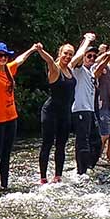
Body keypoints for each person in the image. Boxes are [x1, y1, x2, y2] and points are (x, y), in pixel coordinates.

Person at [0, 41, 40, 190]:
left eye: (5, 55)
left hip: (11, 118)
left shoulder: (9, 69)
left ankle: (4, 186)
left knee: (6, 154)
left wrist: (32, 49)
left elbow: (20, 60)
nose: (3, 58)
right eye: (0, 55)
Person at [68, 34, 110, 175]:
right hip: (80, 110)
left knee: (97, 142)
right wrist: (87, 41)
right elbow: (78, 57)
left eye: (94, 56)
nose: (92, 58)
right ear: (84, 57)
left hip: (90, 110)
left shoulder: (90, 71)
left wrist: (107, 56)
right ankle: (81, 171)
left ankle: (89, 166)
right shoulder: (77, 70)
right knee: (83, 142)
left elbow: (98, 66)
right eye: (89, 56)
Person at [35, 43, 76, 183]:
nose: (68, 56)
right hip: (51, 112)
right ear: (60, 53)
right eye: (65, 53)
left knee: (61, 145)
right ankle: (43, 178)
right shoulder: (55, 69)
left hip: (65, 113)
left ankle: (58, 176)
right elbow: (49, 60)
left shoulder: (70, 68)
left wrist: (87, 40)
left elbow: (81, 53)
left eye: (70, 54)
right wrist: (40, 50)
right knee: (47, 144)